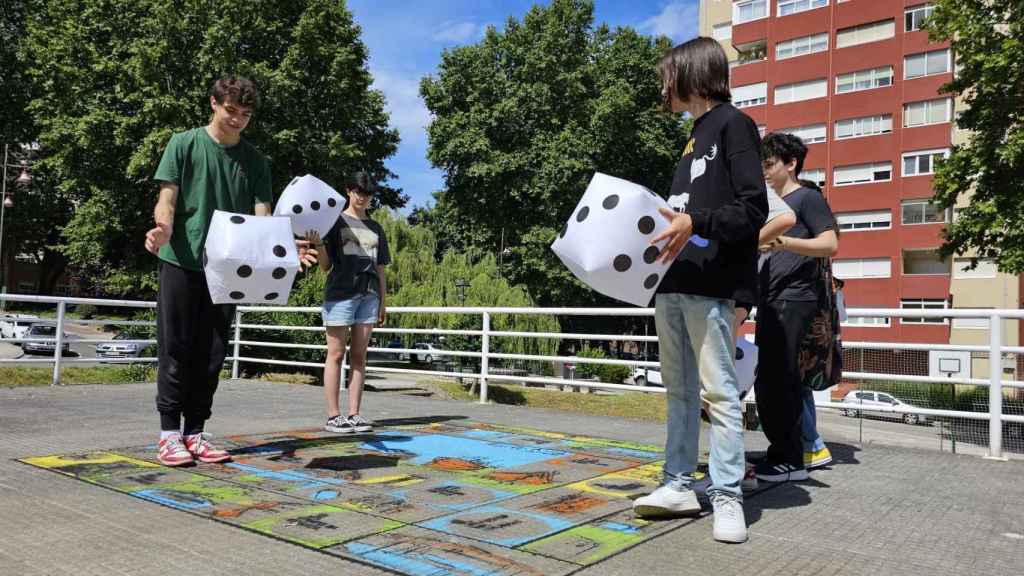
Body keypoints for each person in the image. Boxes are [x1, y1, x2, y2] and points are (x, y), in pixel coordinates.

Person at [632, 37, 768, 545]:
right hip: (674, 282)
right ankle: (677, 484)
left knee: (719, 393)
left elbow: (754, 209)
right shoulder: (692, 136)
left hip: (712, 285)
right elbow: (684, 212)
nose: (663, 86)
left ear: (690, 73)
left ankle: (727, 494)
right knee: (680, 392)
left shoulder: (734, 124)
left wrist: (695, 221)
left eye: (668, 75)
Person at [145, 75, 316, 467]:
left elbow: (263, 218)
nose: (237, 119)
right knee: (177, 348)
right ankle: (168, 434)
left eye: (245, 114)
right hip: (183, 259)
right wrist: (164, 229)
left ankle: (195, 432)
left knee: (211, 354)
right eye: (230, 111)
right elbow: (166, 199)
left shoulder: (256, 161)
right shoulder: (183, 143)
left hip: (228, 271)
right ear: (213, 104)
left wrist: (283, 249)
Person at [753, 132, 839, 482]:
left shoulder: (807, 198)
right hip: (773, 300)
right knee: (771, 380)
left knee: (781, 381)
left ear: (791, 164)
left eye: (770, 164)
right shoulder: (770, 205)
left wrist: (785, 241)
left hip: (796, 299)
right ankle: (787, 453)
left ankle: (789, 459)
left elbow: (830, 243)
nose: (765, 172)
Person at [306, 171, 390, 435]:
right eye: (359, 192)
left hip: (369, 295)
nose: (363, 198)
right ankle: (334, 415)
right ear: (348, 191)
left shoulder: (376, 228)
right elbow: (325, 266)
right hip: (341, 293)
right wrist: (318, 245)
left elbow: (380, 268)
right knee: (336, 353)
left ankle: (354, 414)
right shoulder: (334, 223)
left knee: (359, 356)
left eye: (367, 194)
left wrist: (383, 303)